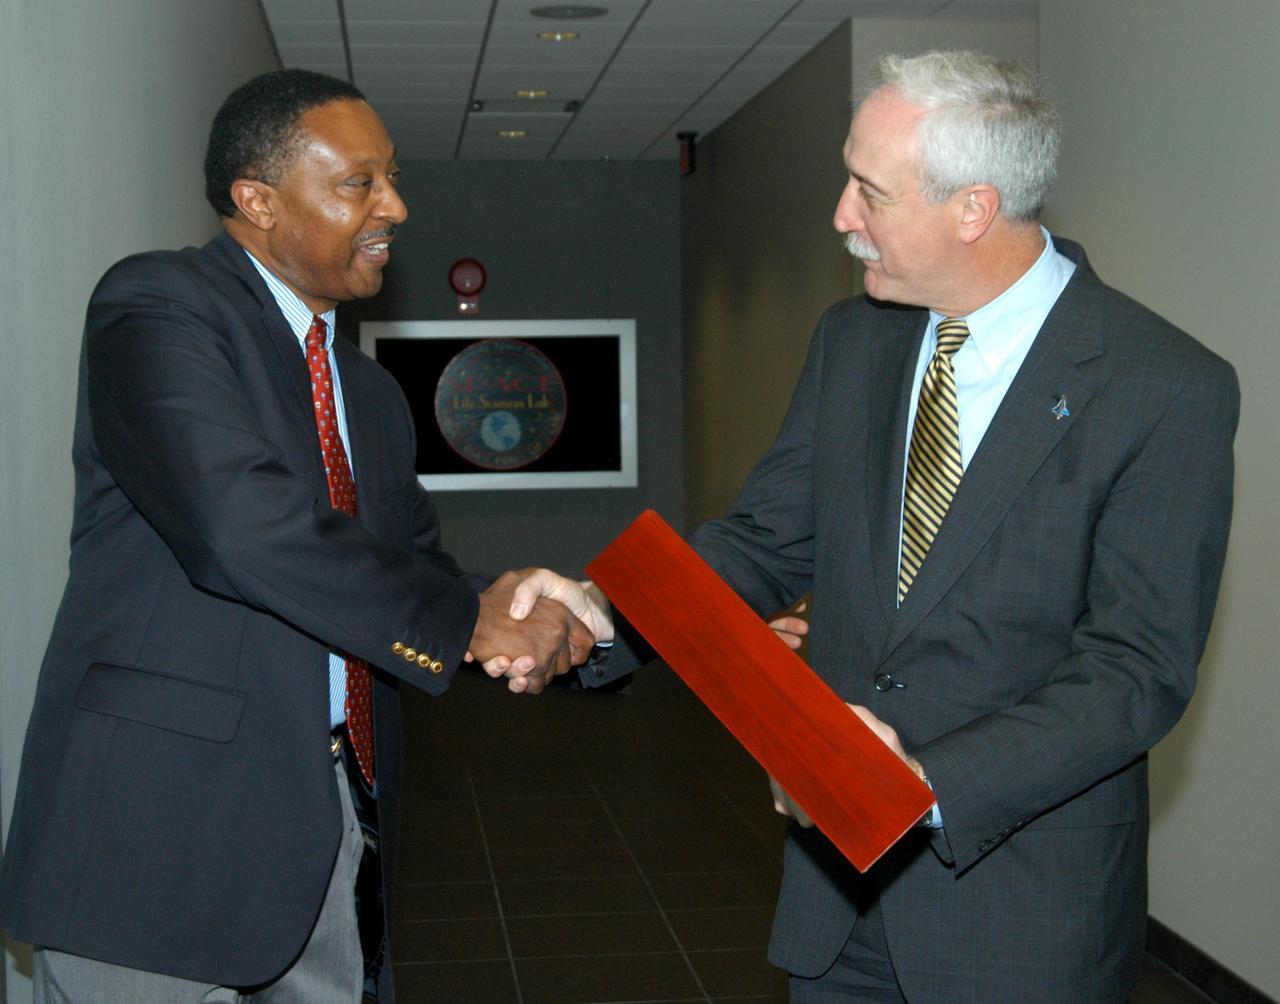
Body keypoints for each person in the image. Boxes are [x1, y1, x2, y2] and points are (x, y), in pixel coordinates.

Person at [508, 50, 1239, 1002]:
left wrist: (912, 784)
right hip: (836, 904)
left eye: (869, 191)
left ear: (972, 209)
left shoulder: (1162, 385)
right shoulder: (854, 341)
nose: (843, 218)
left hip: (1018, 915)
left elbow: (1134, 672)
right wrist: (602, 608)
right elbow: (770, 540)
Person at [0, 69, 595, 1003]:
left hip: (333, 832)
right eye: (360, 182)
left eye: (391, 177)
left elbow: (407, 572)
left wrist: (523, 605)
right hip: (157, 848)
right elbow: (241, 527)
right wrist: (466, 620)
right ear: (258, 201)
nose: (394, 205)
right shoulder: (157, 307)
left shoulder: (368, 392)